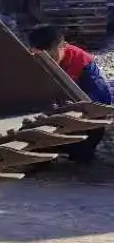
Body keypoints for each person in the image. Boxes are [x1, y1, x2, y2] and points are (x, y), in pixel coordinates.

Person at [28, 23, 112, 162]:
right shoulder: (30, 60)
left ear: (63, 46)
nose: (48, 60)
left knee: (82, 152)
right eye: (41, 55)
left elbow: (102, 100)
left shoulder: (82, 62)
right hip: (50, 112)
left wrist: (74, 107)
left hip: (80, 116)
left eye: (52, 55)